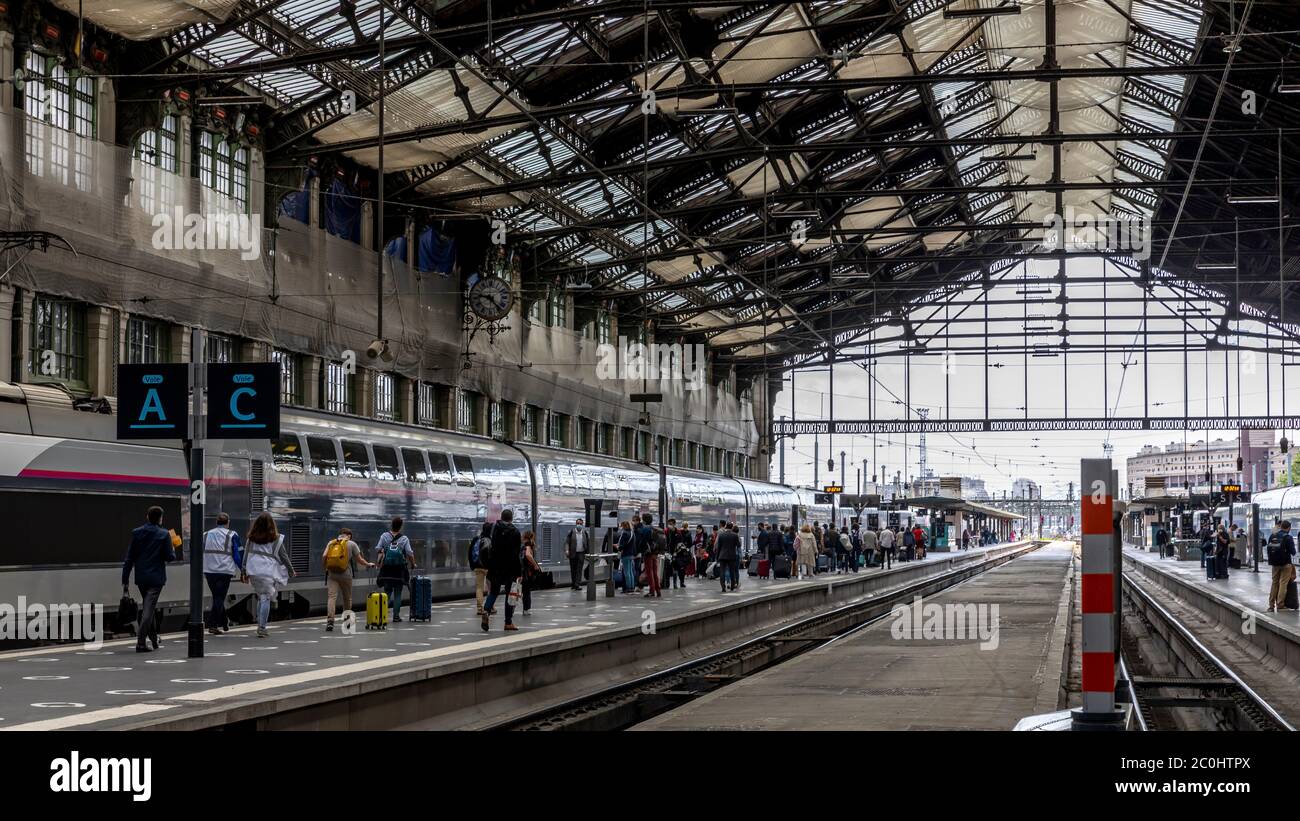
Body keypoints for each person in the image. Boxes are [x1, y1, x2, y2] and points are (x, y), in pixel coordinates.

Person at [122, 505, 176, 653]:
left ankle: (153, 639)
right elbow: (169, 557)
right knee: (147, 611)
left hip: (141, 578)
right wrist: (172, 547)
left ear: (147, 516)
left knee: (149, 608)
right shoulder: (164, 534)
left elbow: (129, 558)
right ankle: (140, 643)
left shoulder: (137, 533)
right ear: (160, 518)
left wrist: (125, 579)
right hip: (156, 578)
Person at [241, 511, 297, 638]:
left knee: (261, 596)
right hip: (267, 571)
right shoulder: (276, 539)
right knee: (266, 597)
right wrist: (291, 570)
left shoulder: (251, 538)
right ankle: (262, 627)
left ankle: (260, 624)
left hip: (253, 570)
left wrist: (244, 570)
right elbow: (284, 557)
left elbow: (246, 554)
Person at [322, 526, 372, 631]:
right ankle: (347, 621)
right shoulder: (351, 544)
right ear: (349, 536)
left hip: (332, 574)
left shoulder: (331, 543)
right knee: (347, 598)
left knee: (332, 597)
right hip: (346, 574)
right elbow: (359, 560)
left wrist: (326, 567)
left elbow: (324, 556)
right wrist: (368, 564)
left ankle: (330, 621)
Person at [482, 510, 523, 631]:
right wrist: (519, 572)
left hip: (495, 567)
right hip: (510, 568)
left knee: (493, 592)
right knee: (509, 595)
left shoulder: (494, 529)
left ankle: (486, 611)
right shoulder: (515, 532)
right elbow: (516, 555)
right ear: (511, 518)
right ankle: (508, 622)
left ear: (501, 517)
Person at [202, 512, 242, 635]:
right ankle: (213, 625)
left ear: (216, 522)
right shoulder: (232, 534)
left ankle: (224, 622)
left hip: (209, 571)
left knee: (217, 597)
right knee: (219, 597)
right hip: (225, 571)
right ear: (228, 522)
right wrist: (243, 569)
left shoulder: (206, 534)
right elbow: (237, 554)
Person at [375, 517, 415, 622]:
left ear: (391, 525)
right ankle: (396, 616)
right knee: (398, 593)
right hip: (399, 570)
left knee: (387, 593)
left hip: (387, 569)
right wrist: (413, 563)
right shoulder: (404, 538)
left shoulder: (384, 536)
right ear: (401, 526)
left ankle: (382, 616)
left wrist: (382, 556)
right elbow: (409, 553)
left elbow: (378, 549)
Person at [1267, 520, 1296, 612]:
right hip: (1286, 564)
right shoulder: (1288, 537)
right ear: (1288, 528)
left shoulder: (1272, 536)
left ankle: (1271, 605)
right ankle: (1280, 604)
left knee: (1274, 583)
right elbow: (1293, 552)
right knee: (1283, 583)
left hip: (1274, 564)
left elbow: (1269, 549)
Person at [470, 522, 493, 615]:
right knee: (491, 588)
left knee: (479, 587)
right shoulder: (491, 540)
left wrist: (472, 565)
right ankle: (490, 606)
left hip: (478, 566)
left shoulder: (476, 539)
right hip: (488, 567)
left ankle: (479, 608)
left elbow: (470, 552)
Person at [638, 514, 660, 597]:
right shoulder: (654, 528)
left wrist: (640, 549)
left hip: (648, 553)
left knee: (649, 572)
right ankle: (658, 591)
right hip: (655, 552)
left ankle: (651, 591)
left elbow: (642, 542)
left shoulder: (645, 529)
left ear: (644, 520)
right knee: (655, 572)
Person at [715, 522, 741, 592]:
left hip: (722, 556)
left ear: (726, 527)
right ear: (732, 527)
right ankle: (732, 586)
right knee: (732, 571)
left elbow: (719, 547)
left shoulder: (721, 535)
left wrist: (717, 557)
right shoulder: (735, 535)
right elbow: (739, 545)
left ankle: (723, 587)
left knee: (722, 571)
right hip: (732, 556)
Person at [521, 530, 541, 615]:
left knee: (519, 590)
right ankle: (527, 609)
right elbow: (528, 555)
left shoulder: (522, 544)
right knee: (526, 591)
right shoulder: (528, 544)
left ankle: (512, 608)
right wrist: (535, 564)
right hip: (526, 571)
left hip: (521, 569)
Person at [565, 518, 588, 590]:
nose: (579, 525)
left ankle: (577, 584)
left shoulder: (584, 533)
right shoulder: (571, 532)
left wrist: (588, 553)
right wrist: (567, 550)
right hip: (573, 553)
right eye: (578, 523)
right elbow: (567, 542)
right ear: (576, 524)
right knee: (573, 569)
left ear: (582, 524)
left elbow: (588, 543)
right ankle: (573, 583)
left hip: (581, 553)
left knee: (579, 569)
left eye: (580, 524)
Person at [617, 521, 637, 593]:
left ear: (624, 526)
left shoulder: (625, 533)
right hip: (631, 554)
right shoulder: (632, 533)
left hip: (625, 554)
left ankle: (628, 587)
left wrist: (618, 547)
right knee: (631, 572)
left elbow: (622, 545)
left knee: (626, 572)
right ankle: (632, 587)